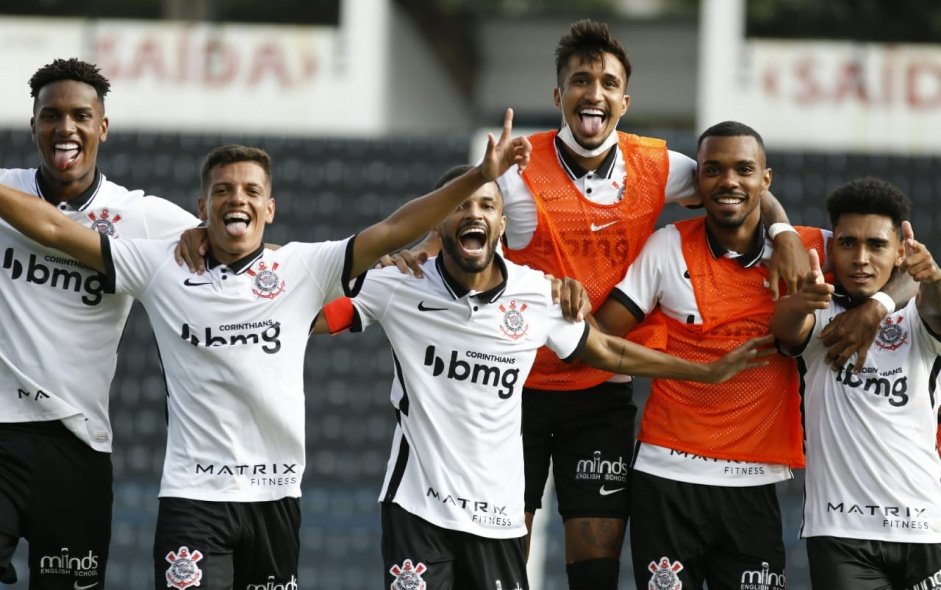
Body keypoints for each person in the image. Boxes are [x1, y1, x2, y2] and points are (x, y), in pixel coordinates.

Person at [0, 108, 531, 589]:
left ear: (270, 208)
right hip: (194, 497)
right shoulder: (159, 265)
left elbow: (394, 227)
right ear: (201, 207)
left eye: (252, 191)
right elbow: (53, 226)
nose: (238, 200)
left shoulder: (302, 268)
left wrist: (481, 175)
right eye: (225, 191)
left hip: (276, 500)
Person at [374, 20, 813, 590]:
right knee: (507, 548)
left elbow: (739, 181)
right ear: (559, 96)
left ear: (624, 101)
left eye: (608, 82)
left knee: (596, 565)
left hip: (600, 384)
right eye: (581, 80)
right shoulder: (516, 167)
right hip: (517, 389)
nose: (594, 92)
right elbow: (463, 222)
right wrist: (413, 251)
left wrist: (782, 235)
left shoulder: (659, 165)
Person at [315, 164, 774, 590]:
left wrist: (707, 371)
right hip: (417, 507)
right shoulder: (398, 284)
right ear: (437, 222)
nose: (473, 213)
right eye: (459, 206)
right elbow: (310, 313)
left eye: (487, 206)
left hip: (498, 514)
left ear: (500, 225)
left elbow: (608, 350)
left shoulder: (534, 293)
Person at [585, 121, 829, 589]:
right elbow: (596, 340)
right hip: (666, 476)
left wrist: (876, 303)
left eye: (744, 170)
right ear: (698, 183)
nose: (729, 181)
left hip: (752, 483)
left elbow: (898, 265)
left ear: (766, 180)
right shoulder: (669, 245)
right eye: (713, 170)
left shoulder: (810, 249)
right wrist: (697, 370)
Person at [0, 58, 200, 588]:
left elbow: (243, 254)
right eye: (51, 116)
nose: (65, 128)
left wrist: (383, 261)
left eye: (80, 116)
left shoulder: (140, 217)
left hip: (77, 446)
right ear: (34, 126)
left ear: (102, 127)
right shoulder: (6, 189)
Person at [771, 177, 941, 589]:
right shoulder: (823, 312)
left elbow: (935, 302)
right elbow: (786, 326)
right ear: (831, 248)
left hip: (925, 528)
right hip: (841, 532)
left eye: (877, 245)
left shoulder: (921, 316)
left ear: (902, 251)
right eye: (847, 243)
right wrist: (796, 299)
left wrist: (920, 284)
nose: (861, 258)